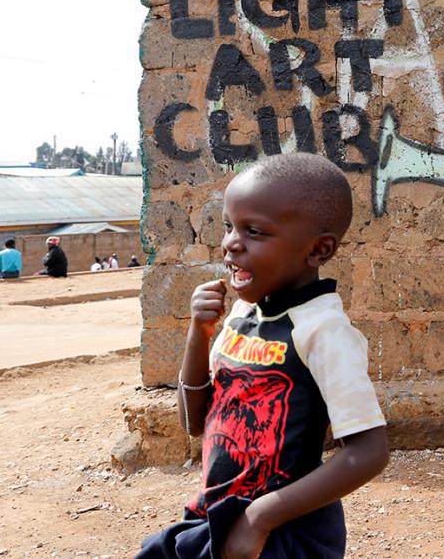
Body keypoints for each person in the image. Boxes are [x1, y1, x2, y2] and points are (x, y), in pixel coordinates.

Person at [137, 153, 387, 559]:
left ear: (318, 250)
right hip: (217, 515)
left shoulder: (324, 330)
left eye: (253, 231)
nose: (232, 243)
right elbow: (193, 422)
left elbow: (369, 452)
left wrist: (260, 518)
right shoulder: (242, 315)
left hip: (286, 532)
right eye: (229, 226)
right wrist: (198, 336)